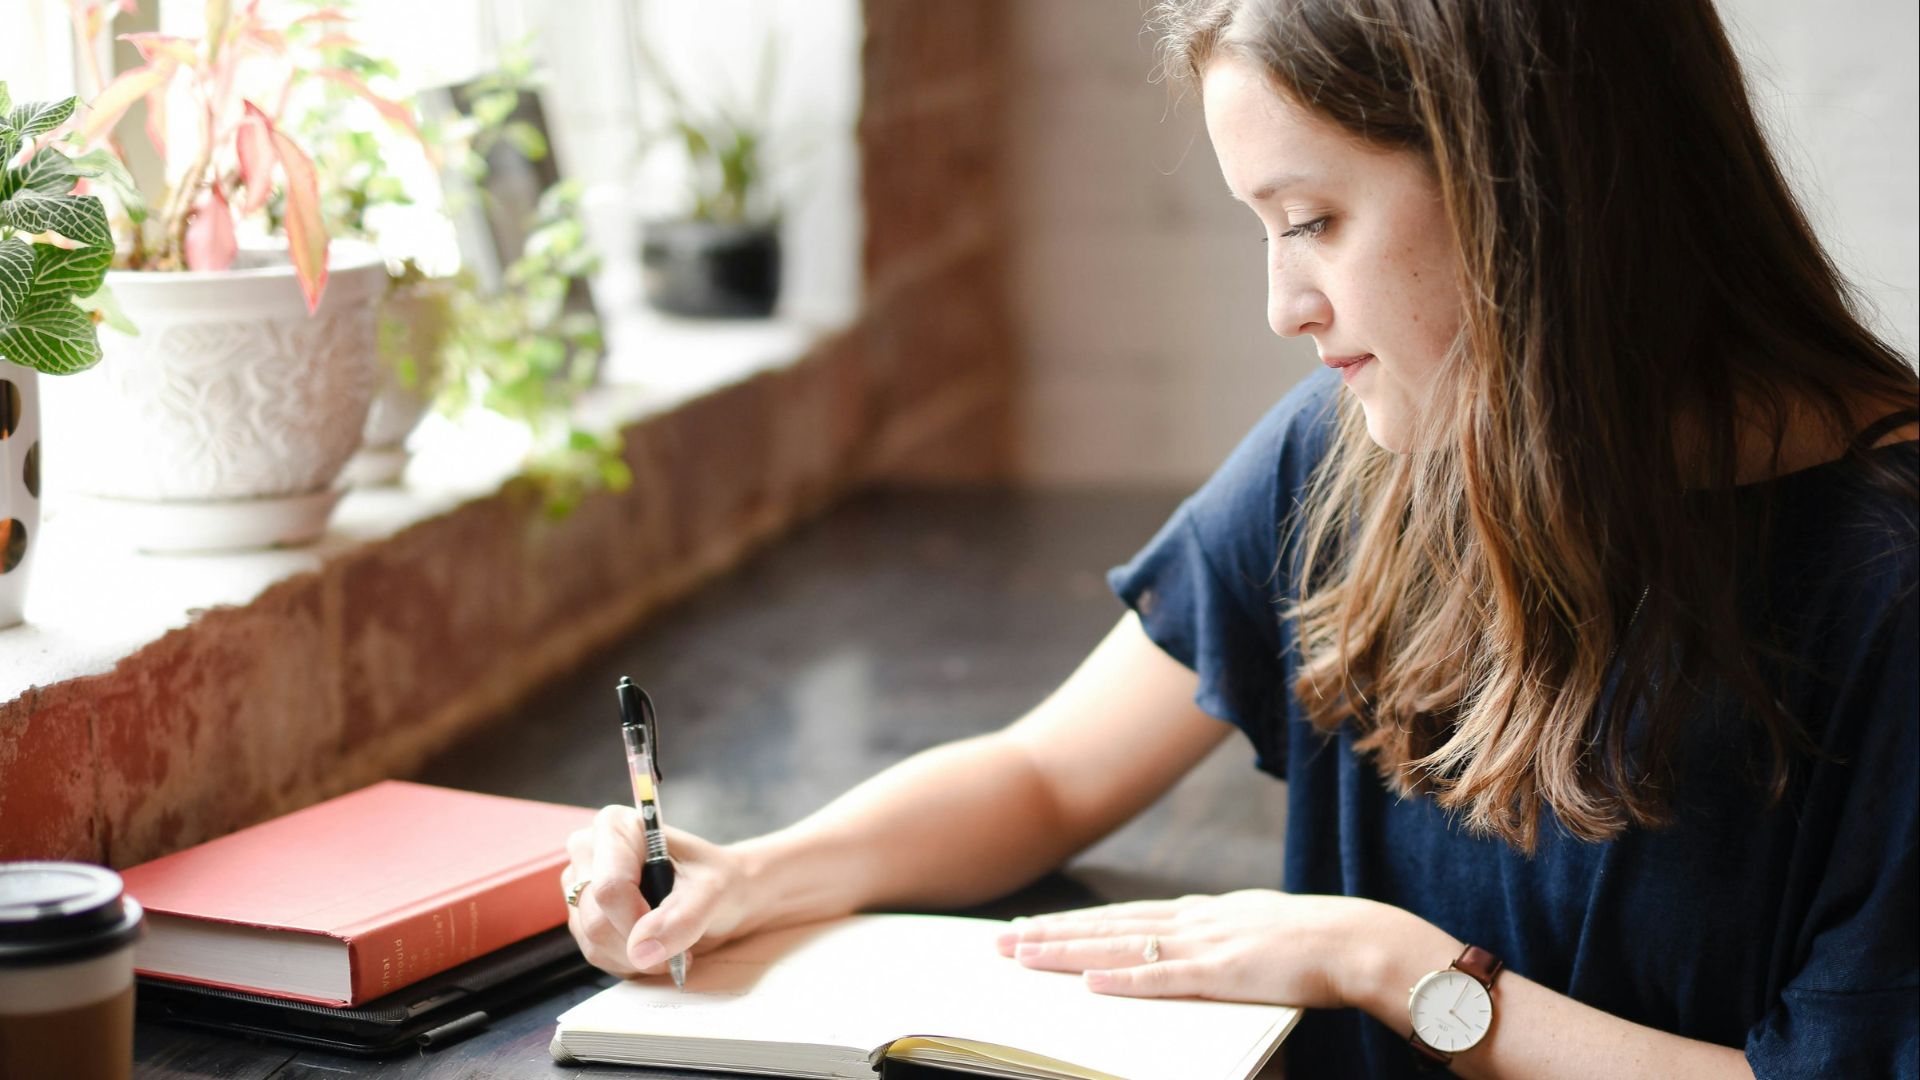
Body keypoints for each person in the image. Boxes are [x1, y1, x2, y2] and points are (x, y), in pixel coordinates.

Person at [563, 1, 1919, 1075]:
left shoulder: (1891, 586)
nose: (1284, 304)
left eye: (1315, 221)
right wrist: (752, 877)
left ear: (1537, 186)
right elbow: (1045, 774)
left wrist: (1395, 969)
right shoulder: (1356, 453)